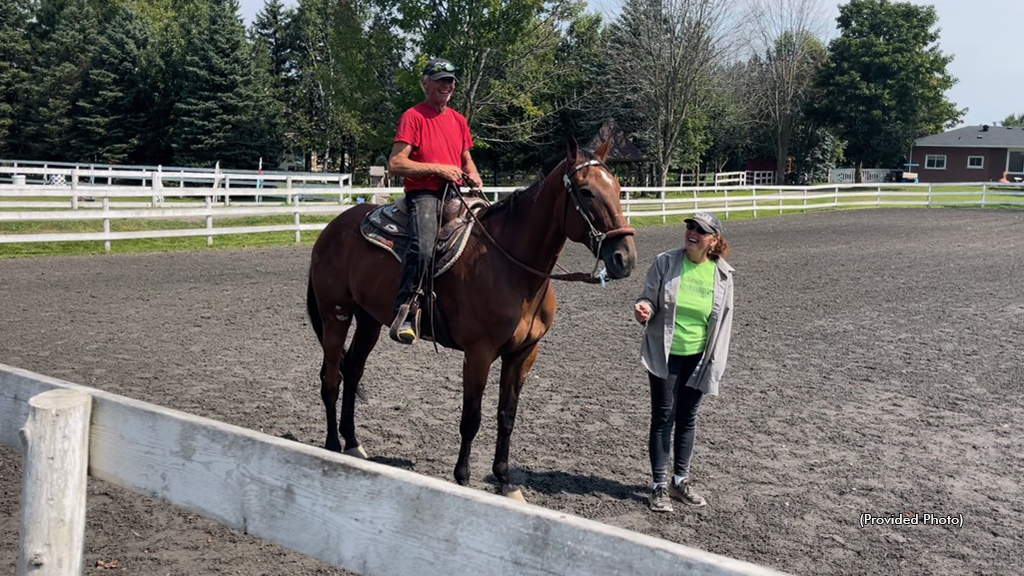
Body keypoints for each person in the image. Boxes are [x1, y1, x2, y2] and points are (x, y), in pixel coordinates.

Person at [633, 212, 734, 512]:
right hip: (666, 354)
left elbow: (723, 322)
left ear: (713, 239)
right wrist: (644, 308)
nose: (692, 232)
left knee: (688, 418)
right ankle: (658, 486)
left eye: (700, 230)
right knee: (664, 417)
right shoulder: (666, 262)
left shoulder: (723, 275)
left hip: (699, 357)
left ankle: (680, 481)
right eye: (690, 226)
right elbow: (648, 298)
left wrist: (716, 361)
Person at [387, 57, 483, 345]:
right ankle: (406, 309)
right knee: (424, 247)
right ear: (425, 82)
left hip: (455, 193)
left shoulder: (458, 120)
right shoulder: (413, 117)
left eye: (451, 81)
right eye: (441, 79)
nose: (447, 85)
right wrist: (437, 168)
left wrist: (474, 177)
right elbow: (396, 163)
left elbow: (466, 158)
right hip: (425, 193)